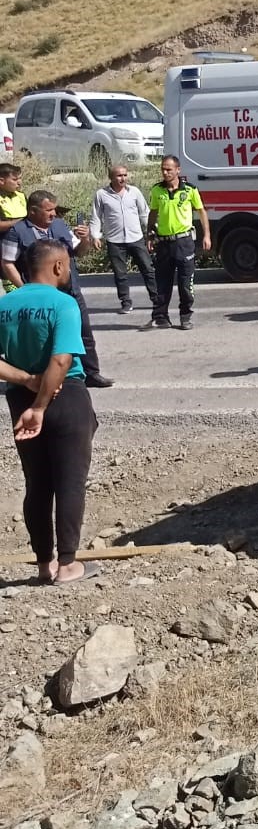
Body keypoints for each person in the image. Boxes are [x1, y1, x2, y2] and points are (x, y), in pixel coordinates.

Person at [0, 240, 97, 584]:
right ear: (57, 267)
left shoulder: (4, 305)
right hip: (64, 397)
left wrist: (26, 381)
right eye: (67, 265)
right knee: (70, 481)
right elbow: (61, 359)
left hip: (19, 399)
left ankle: (44, 564)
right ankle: (68, 565)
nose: (69, 271)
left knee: (37, 484)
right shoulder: (64, 304)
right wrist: (41, 404)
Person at [2, 191, 110, 387]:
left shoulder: (60, 225)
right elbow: (7, 262)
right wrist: (25, 289)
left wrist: (85, 239)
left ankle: (91, 373)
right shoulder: (17, 231)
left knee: (83, 332)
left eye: (54, 209)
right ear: (33, 211)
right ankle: (43, 377)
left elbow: (79, 252)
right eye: (48, 210)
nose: (53, 214)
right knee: (45, 337)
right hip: (39, 298)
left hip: (69, 291)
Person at [146, 156, 211, 334]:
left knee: (185, 282)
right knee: (162, 282)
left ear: (178, 170)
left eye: (169, 169)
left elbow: (201, 211)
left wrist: (207, 235)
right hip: (164, 243)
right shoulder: (157, 190)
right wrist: (150, 235)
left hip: (184, 242)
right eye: (163, 169)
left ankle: (185, 316)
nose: (165, 173)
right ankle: (161, 316)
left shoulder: (190, 190)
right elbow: (153, 213)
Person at [89, 165, 156, 313]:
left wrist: (152, 229)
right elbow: (96, 216)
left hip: (135, 237)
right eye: (119, 176)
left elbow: (144, 213)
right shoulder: (101, 194)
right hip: (115, 240)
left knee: (148, 269)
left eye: (125, 175)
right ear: (111, 177)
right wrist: (95, 235)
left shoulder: (134, 192)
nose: (123, 178)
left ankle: (156, 298)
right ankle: (126, 302)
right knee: (120, 274)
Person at [0, 163, 26, 242]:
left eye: (20, 178)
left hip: (24, 236)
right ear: (1, 181)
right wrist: (23, 222)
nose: (19, 182)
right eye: (14, 179)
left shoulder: (21, 195)